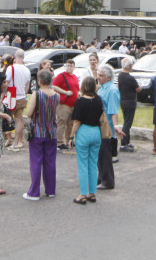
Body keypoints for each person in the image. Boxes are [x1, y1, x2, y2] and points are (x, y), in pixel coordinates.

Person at [23, 69, 59, 201]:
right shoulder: (56, 95)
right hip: (52, 132)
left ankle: (34, 192)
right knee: (50, 162)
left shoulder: (37, 94)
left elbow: (29, 113)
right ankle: (50, 190)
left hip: (38, 131)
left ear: (39, 81)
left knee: (36, 162)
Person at [71, 76, 104, 204]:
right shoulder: (98, 100)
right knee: (93, 163)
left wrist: (70, 136)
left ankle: (83, 194)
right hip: (96, 132)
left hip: (84, 132)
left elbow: (77, 121)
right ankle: (92, 193)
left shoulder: (80, 101)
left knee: (82, 165)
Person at [96, 64, 122, 188]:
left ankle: (107, 181)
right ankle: (101, 177)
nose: (98, 77)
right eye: (98, 75)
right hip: (99, 125)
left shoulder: (111, 90)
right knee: (100, 155)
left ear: (108, 77)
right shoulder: (101, 88)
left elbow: (113, 111)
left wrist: (115, 127)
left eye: (101, 76)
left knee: (105, 156)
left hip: (107, 128)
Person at [53, 58, 79, 151]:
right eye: (68, 65)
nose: (69, 67)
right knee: (62, 122)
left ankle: (69, 140)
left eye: (71, 66)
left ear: (74, 67)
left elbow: (76, 88)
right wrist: (64, 92)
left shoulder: (75, 77)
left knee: (70, 123)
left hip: (73, 104)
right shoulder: (61, 76)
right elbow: (54, 86)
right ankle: (59, 142)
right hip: (64, 103)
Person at [9, 50, 32, 151]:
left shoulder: (11, 68)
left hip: (11, 97)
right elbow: (27, 86)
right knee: (19, 119)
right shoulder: (27, 70)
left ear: (15, 57)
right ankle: (17, 142)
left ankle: (11, 140)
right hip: (22, 96)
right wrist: (24, 94)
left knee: (11, 119)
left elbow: (6, 82)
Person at [116, 57, 140, 152]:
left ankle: (127, 141)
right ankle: (123, 143)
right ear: (130, 66)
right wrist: (140, 87)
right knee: (127, 123)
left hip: (123, 100)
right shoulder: (130, 78)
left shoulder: (120, 75)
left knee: (127, 121)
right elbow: (138, 89)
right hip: (130, 101)